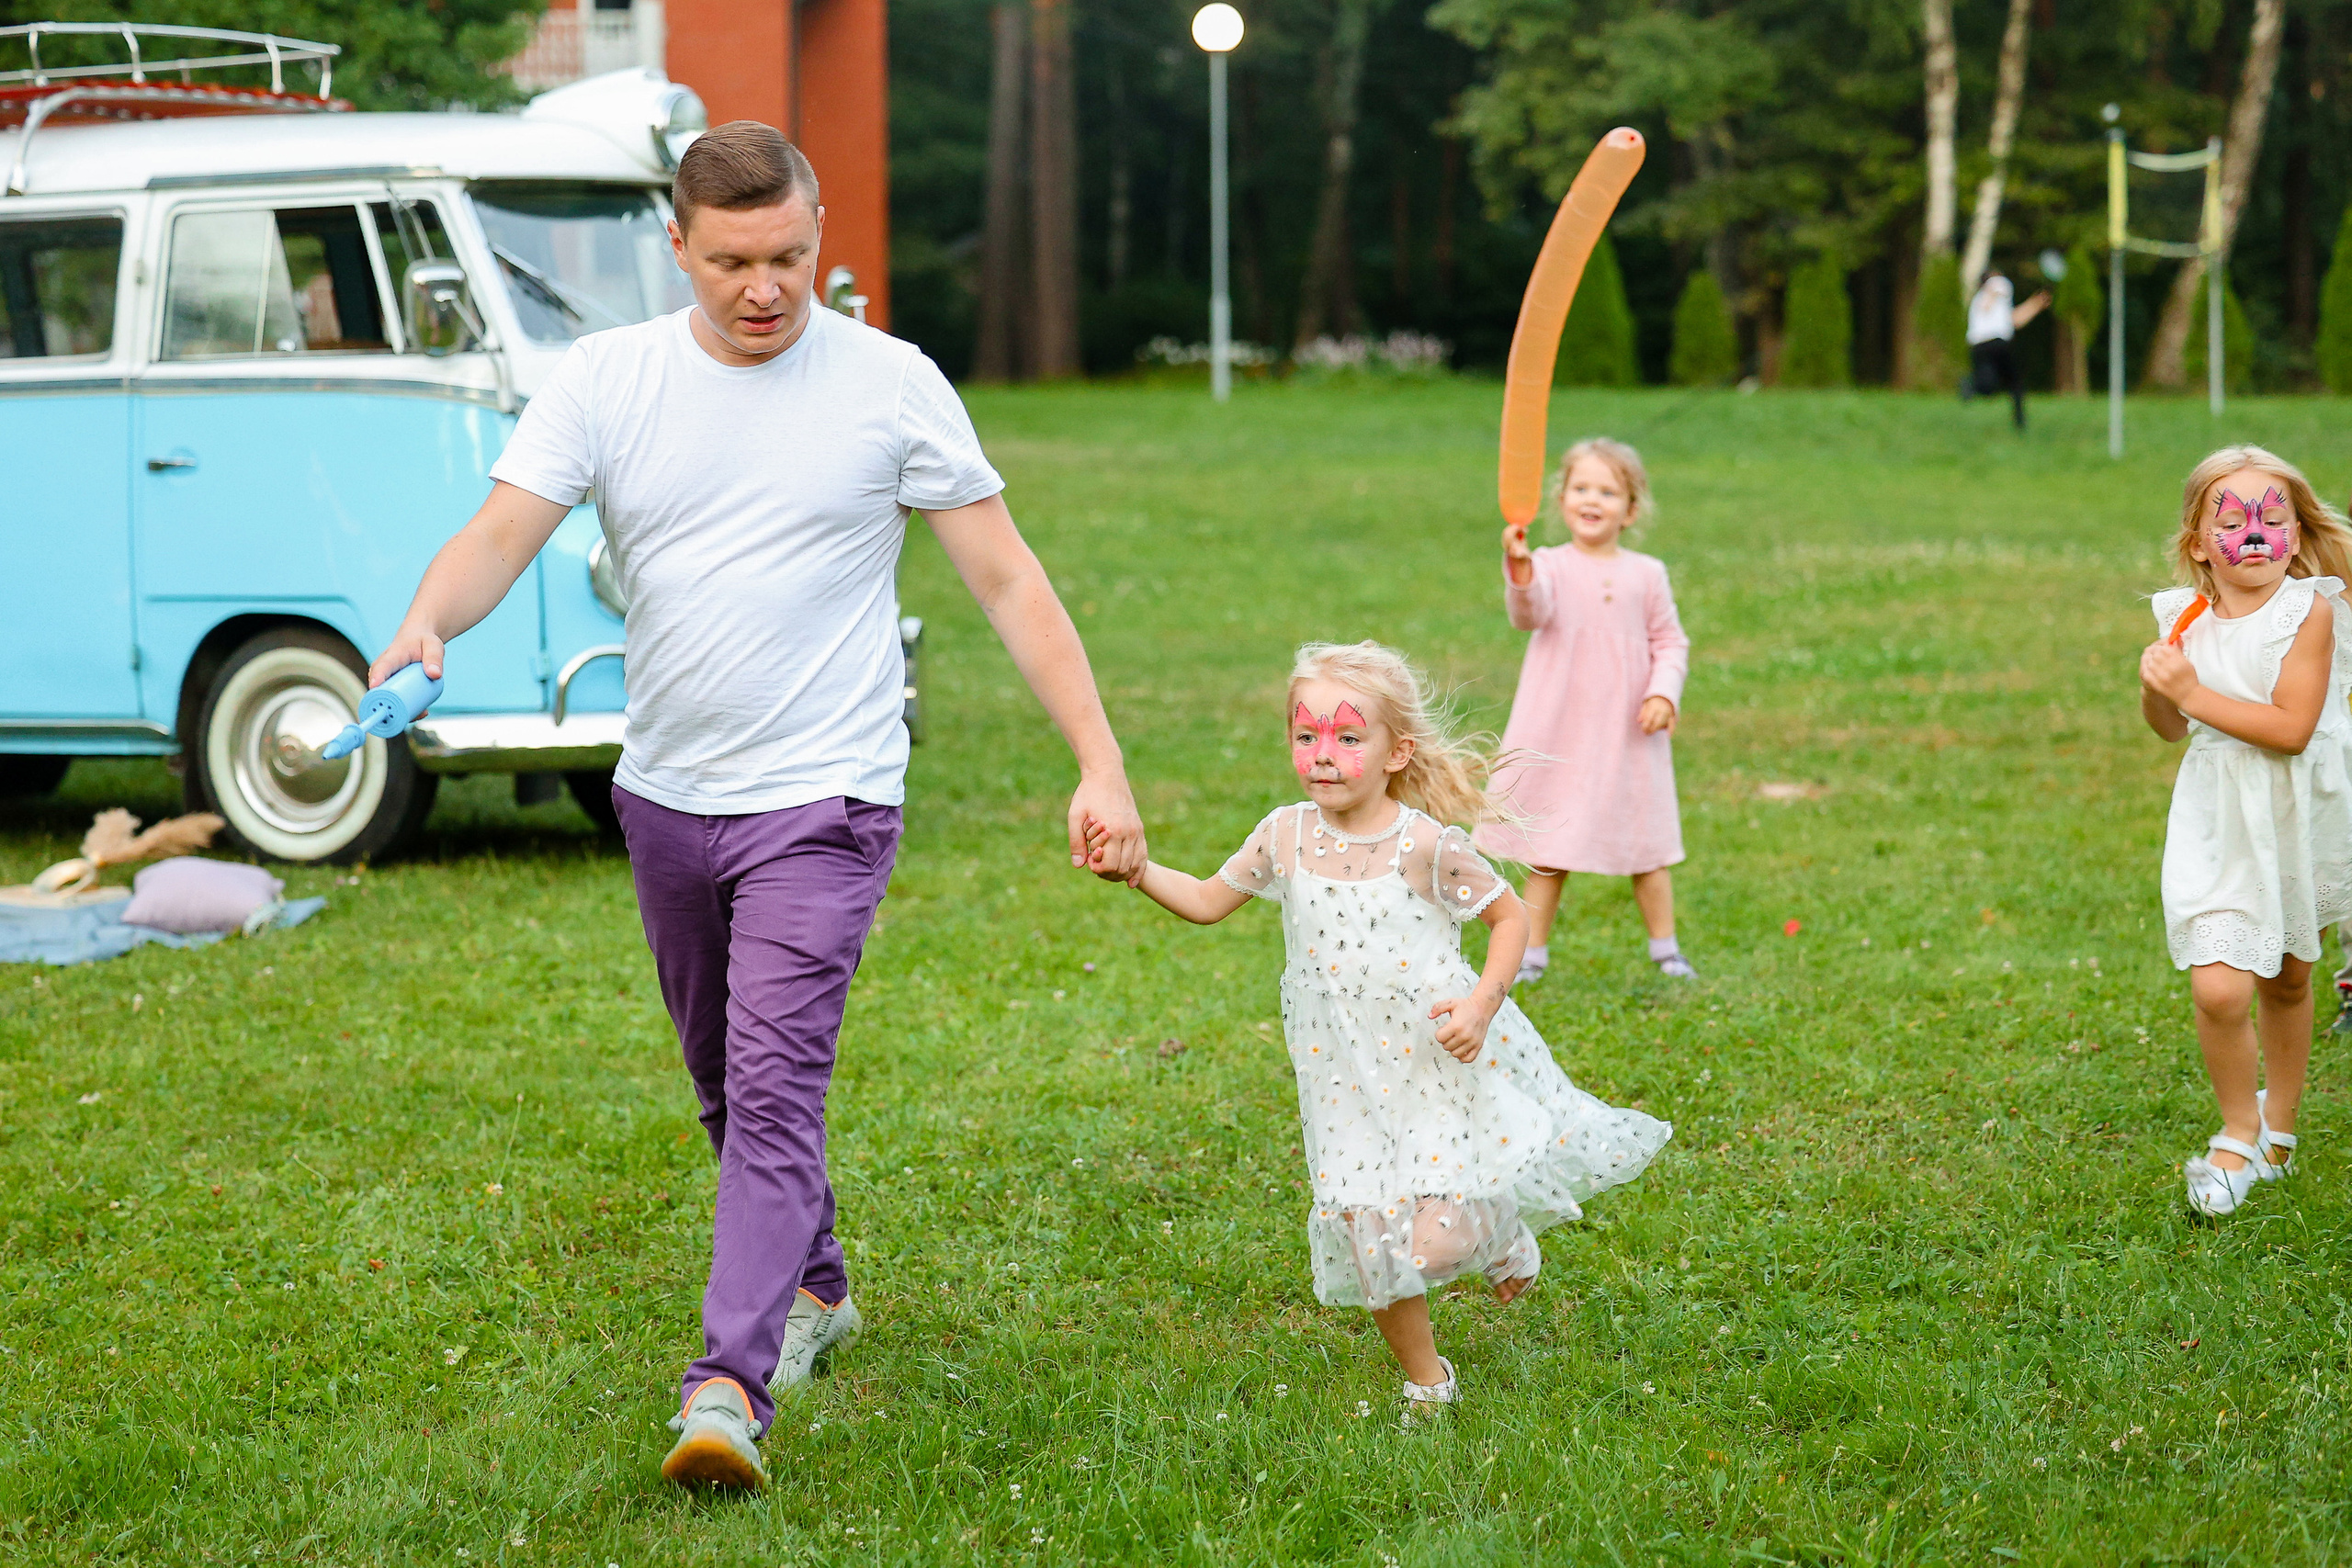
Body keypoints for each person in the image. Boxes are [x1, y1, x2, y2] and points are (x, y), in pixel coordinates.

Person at [368, 121, 1147, 1490]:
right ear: (677, 246)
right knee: (726, 1084)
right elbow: (502, 532)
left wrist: (1100, 759)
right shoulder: (608, 378)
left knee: (776, 1091)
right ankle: (823, 1284)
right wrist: (428, 621)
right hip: (667, 793)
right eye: (731, 261)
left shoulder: (892, 384)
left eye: (789, 255)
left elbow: (1010, 580)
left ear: (820, 232)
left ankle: (728, 1382)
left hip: (827, 796)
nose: (764, 287)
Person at [1112, 640, 1669, 1409]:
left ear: (1396, 750)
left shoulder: (1425, 846)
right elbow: (1208, 900)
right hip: (1339, 1075)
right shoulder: (1284, 835)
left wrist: (1481, 1006)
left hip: (1432, 1065)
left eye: (1346, 736)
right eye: (1305, 735)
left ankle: (1500, 1228)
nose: (1322, 755)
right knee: (1370, 1242)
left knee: (1433, 1241)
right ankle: (1426, 1382)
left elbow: (1510, 917)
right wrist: (1139, 872)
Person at [2139, 445, 2352, 1217]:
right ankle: (2238, 1130)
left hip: (2295, 808)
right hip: (2218, 815)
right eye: (2232, 520)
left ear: (2296, 535)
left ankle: (2280, 1132)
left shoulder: (2311, 611)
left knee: (2289, 974)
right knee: (2220, 983)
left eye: (2274, 516)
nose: (2255, 532)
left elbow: (2292, 728)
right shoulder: (2182, 616)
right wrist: (2161, 689)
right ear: (2200, 541)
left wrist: (2190, 692)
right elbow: (2167, 727)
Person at [1475, 438, 1692, 987]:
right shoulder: (1548, 565)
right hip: (1560, 728)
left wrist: (1662, 693)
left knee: (1647, 846)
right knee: (1548, 847)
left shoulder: (1647, 573)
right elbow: (1530, 612)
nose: (1592, 500)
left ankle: (1666, 950)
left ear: (1631, 508)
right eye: (1581, 488)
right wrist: (1519, 567)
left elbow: (1670, 641)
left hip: (1626, 733)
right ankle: (1530, 955)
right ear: (1562, 498)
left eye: (1608, 491)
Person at [1963, 272, 2050, 431]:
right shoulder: (1988, 294)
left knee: (2009, 384)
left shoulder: (1998, 303)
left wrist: (2036, 304)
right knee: (1994, 387)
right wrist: (1993, 290)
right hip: (1989, 344)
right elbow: (1987, 305)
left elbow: (2015, 320)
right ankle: (1970, 386)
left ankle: (2020, 422)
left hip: (1988, 346)